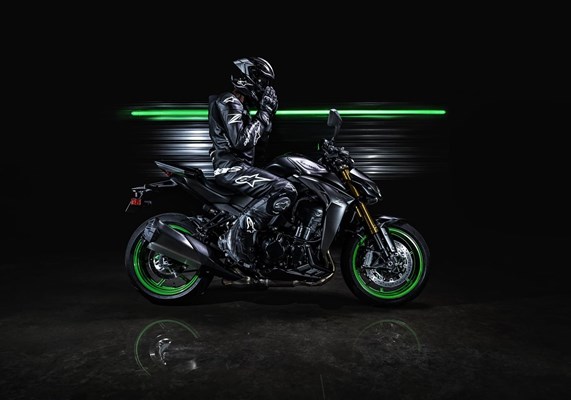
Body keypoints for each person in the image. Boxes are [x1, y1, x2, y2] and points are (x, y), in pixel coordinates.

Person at [208, 57, 297, 268]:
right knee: (285, 189)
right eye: (262, 81)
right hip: (231, 169)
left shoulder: (242, 107)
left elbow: (259, 144)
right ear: (247, 77)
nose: (264, 87)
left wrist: (268, 116)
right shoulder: (229, 101)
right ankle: (237, 239)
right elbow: (241, 141)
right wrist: (264, 113)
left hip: (241, 168)